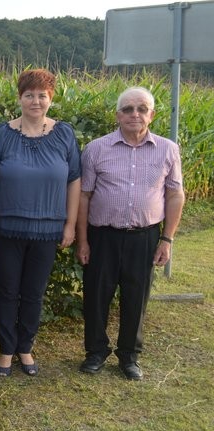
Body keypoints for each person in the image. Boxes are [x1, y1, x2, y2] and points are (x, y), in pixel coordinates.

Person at [75, 86, 185, 380]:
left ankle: (129, 356)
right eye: (127, 109)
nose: (134, 114)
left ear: (152, 114)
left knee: (137, 297)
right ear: (117, 115)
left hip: (145, 237)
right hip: (103, 236)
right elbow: (83, 196)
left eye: (141, 108)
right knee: (96, 295)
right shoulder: (97, 148)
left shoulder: (167, 149)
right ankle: (96, 352)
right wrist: (83, 240)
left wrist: (167, 238)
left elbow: (175, 195)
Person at [0, 69, 81, 377]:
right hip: (7, 228)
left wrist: (70, 225)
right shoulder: (2, 134)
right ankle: (6, 351)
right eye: (29, 95)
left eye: (42, 95)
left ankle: (25, 347)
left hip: (48, 230)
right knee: (8, 291)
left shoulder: (64, 134)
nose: (35, 101)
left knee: (34, 293)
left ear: (51, 98)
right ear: (20, 98)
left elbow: (74, 181)